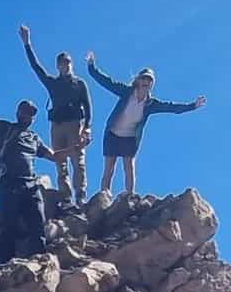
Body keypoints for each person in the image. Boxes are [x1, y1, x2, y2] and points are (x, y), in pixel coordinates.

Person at [86, 53, 207, 197]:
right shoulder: (126, 92)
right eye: (144, 78)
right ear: (137, 80)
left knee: (129, 167)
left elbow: (172, 107)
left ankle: (130, 196)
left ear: (151, 85)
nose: (146, 82)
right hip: (113, 134)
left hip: (130, 138)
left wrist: (192, 106)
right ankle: (104, 196)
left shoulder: (151, 104)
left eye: (149, 80)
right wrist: (91, 67)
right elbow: (106, 82)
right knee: (109, 168)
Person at [0, 72, 58, 258]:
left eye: (31, 114)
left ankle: (41, 259)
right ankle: (7, 263)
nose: (28, 116)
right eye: (26, 112)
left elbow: (53, 156)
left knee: (38, 222)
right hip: (9, 183)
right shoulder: (5, 128)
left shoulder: (34, 138)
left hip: (30, 184)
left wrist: (77, 148)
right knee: (9, 225)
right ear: (18, 113)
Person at [19, 24, 92, 202]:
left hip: (75, 125)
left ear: (71, 64)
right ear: (58, 66)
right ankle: (66, 198)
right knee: (60, 162)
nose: (65, 65)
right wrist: (27, 44)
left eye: (67, 62)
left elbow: (88, 107)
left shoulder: (79, 84)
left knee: (78, 161)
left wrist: (87, 128)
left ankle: (80, 196)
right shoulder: (53, 83)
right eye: (62, 63)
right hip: (57, 126)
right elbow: (36, 67)